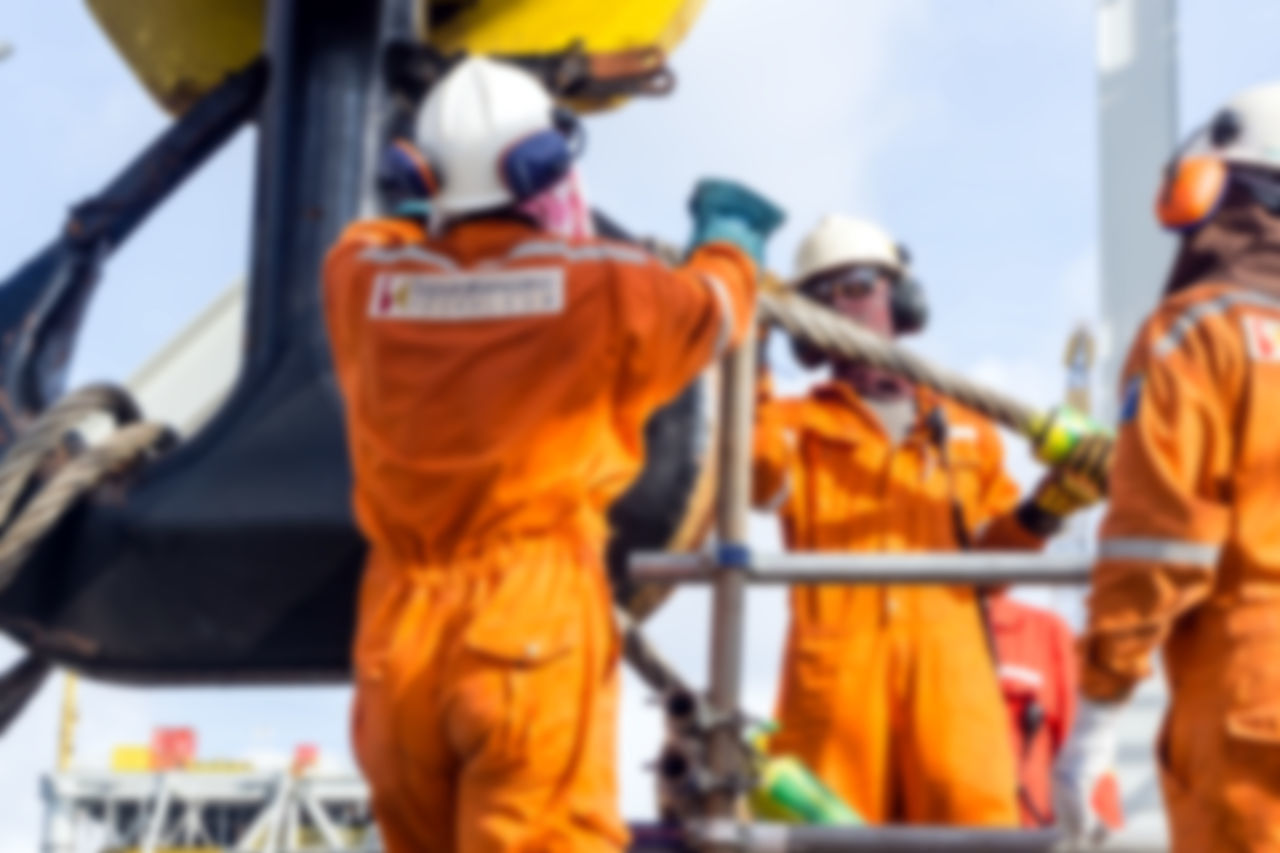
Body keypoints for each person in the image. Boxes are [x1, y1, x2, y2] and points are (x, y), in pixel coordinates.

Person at [323, 56, 783, 852]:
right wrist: (728, 239)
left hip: (397, 635)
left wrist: (436, 192)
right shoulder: (606, 289)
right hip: (527, 621)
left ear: (421, 174)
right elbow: (715, 308)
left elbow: (384, 231)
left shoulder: (358, 283)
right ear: (544, 168)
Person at [754, 214, 1098, 825]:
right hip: (833, 680)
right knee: (821, 843)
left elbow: (991, 571)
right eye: (821, 295)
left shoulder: (967, 425)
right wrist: (747, 344)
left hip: (952, 674)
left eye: (859, 284)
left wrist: (1051, 505)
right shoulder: (790, 422)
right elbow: (751, 478)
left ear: (901, 299)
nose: (844, 305)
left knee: (973, 830)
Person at [1054, 81, 1280, 851]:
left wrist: (1097, 714)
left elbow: (1159, 539)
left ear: (1207, 185)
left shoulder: (1197, 332)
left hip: (1253, 697)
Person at [986, 590, 1123, 829]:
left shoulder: (1042, 632)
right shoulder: (907, 631)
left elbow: (1085, 748)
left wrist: (1102, 821)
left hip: (1026, 834)